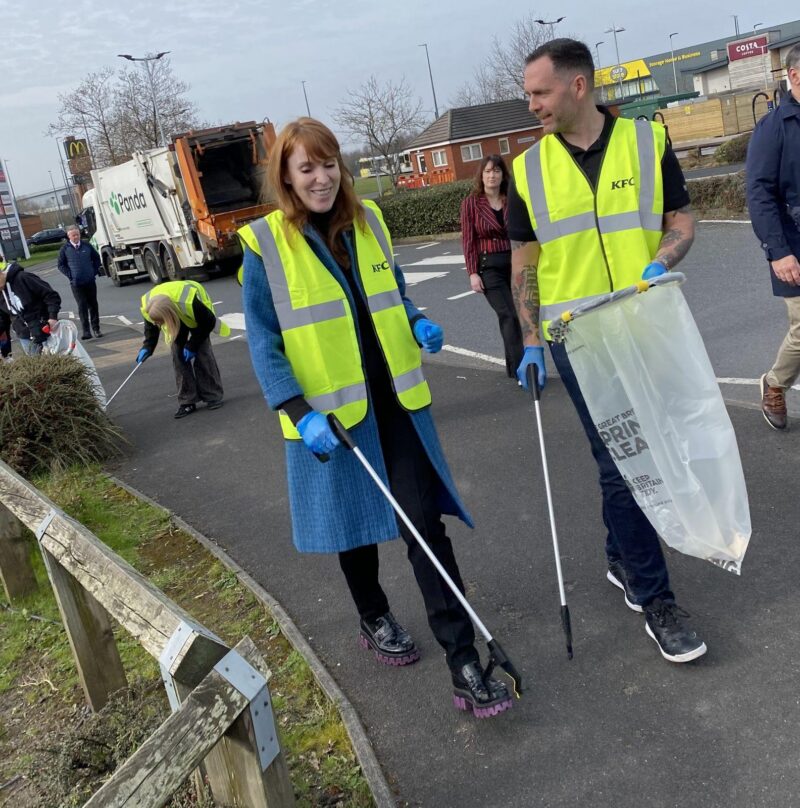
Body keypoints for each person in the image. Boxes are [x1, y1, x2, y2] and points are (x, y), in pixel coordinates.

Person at [239, 117, 512, 718]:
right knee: (356, 530)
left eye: (329, 163)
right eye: (306, 167)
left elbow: (394, 294)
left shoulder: (371, 222)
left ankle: (463, 659)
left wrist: (415, 322)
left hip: (396, 403)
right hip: (330, 416)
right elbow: (263, 339)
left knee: (423, 529)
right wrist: (293, 408)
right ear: (285, 175)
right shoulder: (265, 245)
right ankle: (371, 614)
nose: (321, 177)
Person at [507, 39, 705, 663]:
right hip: (580, 340)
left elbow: (682, 221)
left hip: (646, 324)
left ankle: (620, 553)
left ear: (578, 86)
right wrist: (532, 339)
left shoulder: (647, 142)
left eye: (539, 92)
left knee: (642, 451)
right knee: (622, 461)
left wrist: (659, 261)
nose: (531, 103)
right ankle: (658, 602)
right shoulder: (526, 169)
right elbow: (524, 260)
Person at [746, 43, 800, 431]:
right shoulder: (773, 128)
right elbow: (759, 194)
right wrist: (778, 252)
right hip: (793, 243)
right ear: (795, 75)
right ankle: (776, 383)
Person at [460, 155, 523, 380]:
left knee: (519, 315)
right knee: (508, 315)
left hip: (515, 263)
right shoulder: (471, 203)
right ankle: (522, 371)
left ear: (503, 175)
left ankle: (514, 365)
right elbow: (468, 239)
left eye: (496, 171)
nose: (492, 175)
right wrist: (473, 272)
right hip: (489, 267)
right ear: (481, 175)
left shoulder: (512, 199)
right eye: (487, 171)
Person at [135, 280, 227, 419]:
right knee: (178, 356)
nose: (158, 324)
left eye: (161, 321)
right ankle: (187, 401)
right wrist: (147, 346)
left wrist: (192, 345)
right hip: (174, 315)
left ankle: (213, 395)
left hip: (198, 319)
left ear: (169, 316)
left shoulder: (189, 302)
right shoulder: (148, 305)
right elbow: (152, 328)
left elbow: (208, 322)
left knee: (203, 353)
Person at [0, 255, 61, 356]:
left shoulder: (23, 277)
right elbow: (3, 318)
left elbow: (51, 295)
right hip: (24, 335)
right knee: (37, 368)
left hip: (45, 328)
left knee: (57, 364)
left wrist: (53, 317)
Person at [57, 224, 102, 340]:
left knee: (93, 305)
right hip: (76, 284)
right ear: (69, 236)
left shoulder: (87, 246)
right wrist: (70, 275)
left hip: (90, 281)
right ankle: (86, 331)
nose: (76, 237)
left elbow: (97, 259)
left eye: (77, 234)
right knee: (82, 306)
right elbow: (61, 265)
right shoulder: (65, 249)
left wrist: (93, 272)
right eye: (73, 235)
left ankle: (96, 329)